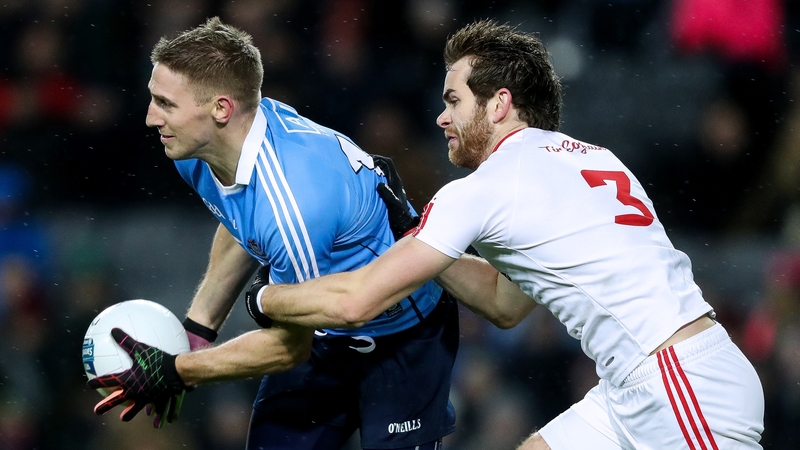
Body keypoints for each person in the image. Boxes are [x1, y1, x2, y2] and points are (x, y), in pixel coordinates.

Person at [251, 19, 766, 449]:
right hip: (647, 381)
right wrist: (417, 233)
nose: (440, 116)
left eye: (453, 100)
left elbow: (355, 303)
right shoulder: (588, 158)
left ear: (499, 104)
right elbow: (505, 303)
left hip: (678, 387)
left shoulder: (486, 187)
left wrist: (266, 298)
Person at [87, 17, 459, 450]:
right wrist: (196, 331)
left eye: (165, 104)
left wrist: (178, 369)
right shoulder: (204, 146)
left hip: (401, 336)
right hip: (325, 325)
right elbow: (243, 221)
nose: (151, 117)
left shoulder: (295, 202)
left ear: (221, 109)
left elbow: (289, 348)